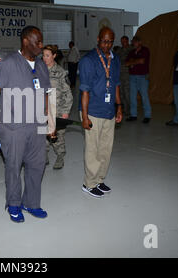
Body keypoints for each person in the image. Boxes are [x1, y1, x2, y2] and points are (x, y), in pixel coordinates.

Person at [0, 26, 53, 223]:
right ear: (25, 42)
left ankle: (31, 203)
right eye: (37, 42)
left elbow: (46, 96)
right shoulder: (7, 63)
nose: (41, 46)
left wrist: (49, 121)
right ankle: (14, 204)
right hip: (13, 128)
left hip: (36, 126)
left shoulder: (41, 65)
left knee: (37, 165)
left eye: (41, 42)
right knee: (13, 167)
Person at [79, 27, 122, 198]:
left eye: (110, 41)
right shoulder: (88, 60)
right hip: (93, 111)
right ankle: (89, 183)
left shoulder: (115, 59)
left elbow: (116, 84)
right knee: (92, 149)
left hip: (109, 111)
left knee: (106, 148)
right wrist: (85, 115)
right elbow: (84, 91)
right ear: (98, 39)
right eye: (104, 41)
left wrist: (119, 106)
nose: (107, 44)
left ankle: (99, 179)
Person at [42, 44, 73, 170]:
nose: (44, 58)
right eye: (43, 55)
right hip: (43, 110)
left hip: (58, 110)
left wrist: (65, 112)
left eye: (47, 55)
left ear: (54, 56)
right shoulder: (39, 71)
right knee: (42, 135)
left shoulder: (61, 72)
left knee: (57, 137)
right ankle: (44, 156)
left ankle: (60, 156)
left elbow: (68, 93)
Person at [125, 36, 152, 123]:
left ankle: (147, 116)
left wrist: (132, 62)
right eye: (133, 42)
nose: (133, 43)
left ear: (139, 42)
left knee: (144, 96)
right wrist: (135, 61)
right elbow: (126, 63)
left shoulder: (145, 50)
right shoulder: (131, 52)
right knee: (132, 96)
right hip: (132, 76)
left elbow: (142, 61)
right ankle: (133, 115)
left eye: (135, 42)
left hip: (142, 77)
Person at [114, 36, 132, 116]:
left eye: (124, 41)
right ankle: (124, 109)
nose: (123, 43)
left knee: (127, 93)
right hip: (120, 75)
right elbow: (114, 59)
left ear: (127, 41)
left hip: (128, 75)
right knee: (121, 94)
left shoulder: (131, 50)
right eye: (122, 41)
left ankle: (130, 110)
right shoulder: (119, 50)